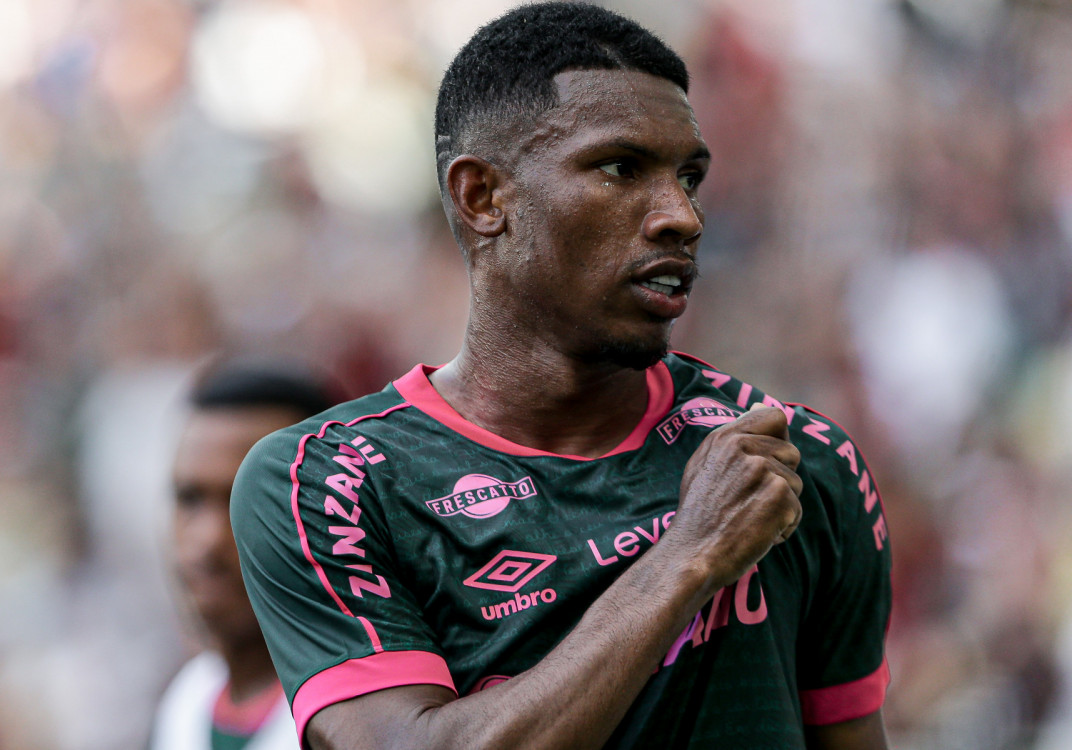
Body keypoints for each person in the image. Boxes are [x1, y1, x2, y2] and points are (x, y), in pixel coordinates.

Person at [231, 3, 892, 748]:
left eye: (691, 176)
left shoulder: (801, 463)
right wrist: (685, 559)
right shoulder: (335, 481)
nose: (682, 215)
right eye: (621, 168)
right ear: (483, 197)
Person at [150, 362, 334, 750]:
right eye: (189, 499)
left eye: (247, 503)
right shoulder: (187, 703)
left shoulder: (367, 721)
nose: (207, 540)